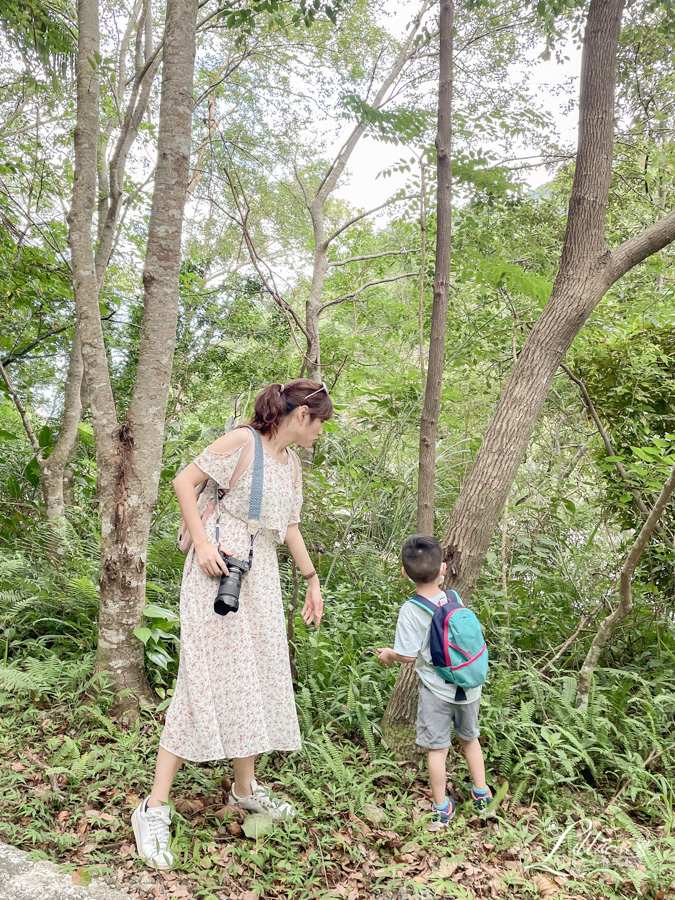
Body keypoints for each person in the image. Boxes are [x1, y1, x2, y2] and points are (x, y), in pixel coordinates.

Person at [132, 379, 333, 868]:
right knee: (201, 679)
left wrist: (311, 579)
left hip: (259, 576)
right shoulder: (242, 441)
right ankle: (153, 807)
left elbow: (287, 527)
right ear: (302, 415)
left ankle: (245, 790)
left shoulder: (292, 466)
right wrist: (201, 543)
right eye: (321, 422)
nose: (321, 433)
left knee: (254, 681)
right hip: (217, 569)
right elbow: (184, 481)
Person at [376, 534, 492, 830]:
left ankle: (441, 807)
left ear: (404, 573)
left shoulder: (411, 610)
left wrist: (389, 655)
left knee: (437, 750)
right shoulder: (454, 599)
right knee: (470, 739)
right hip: (469, 685)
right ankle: (482, 794)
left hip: (436, 689)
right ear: (443, 568)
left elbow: (406, 654)